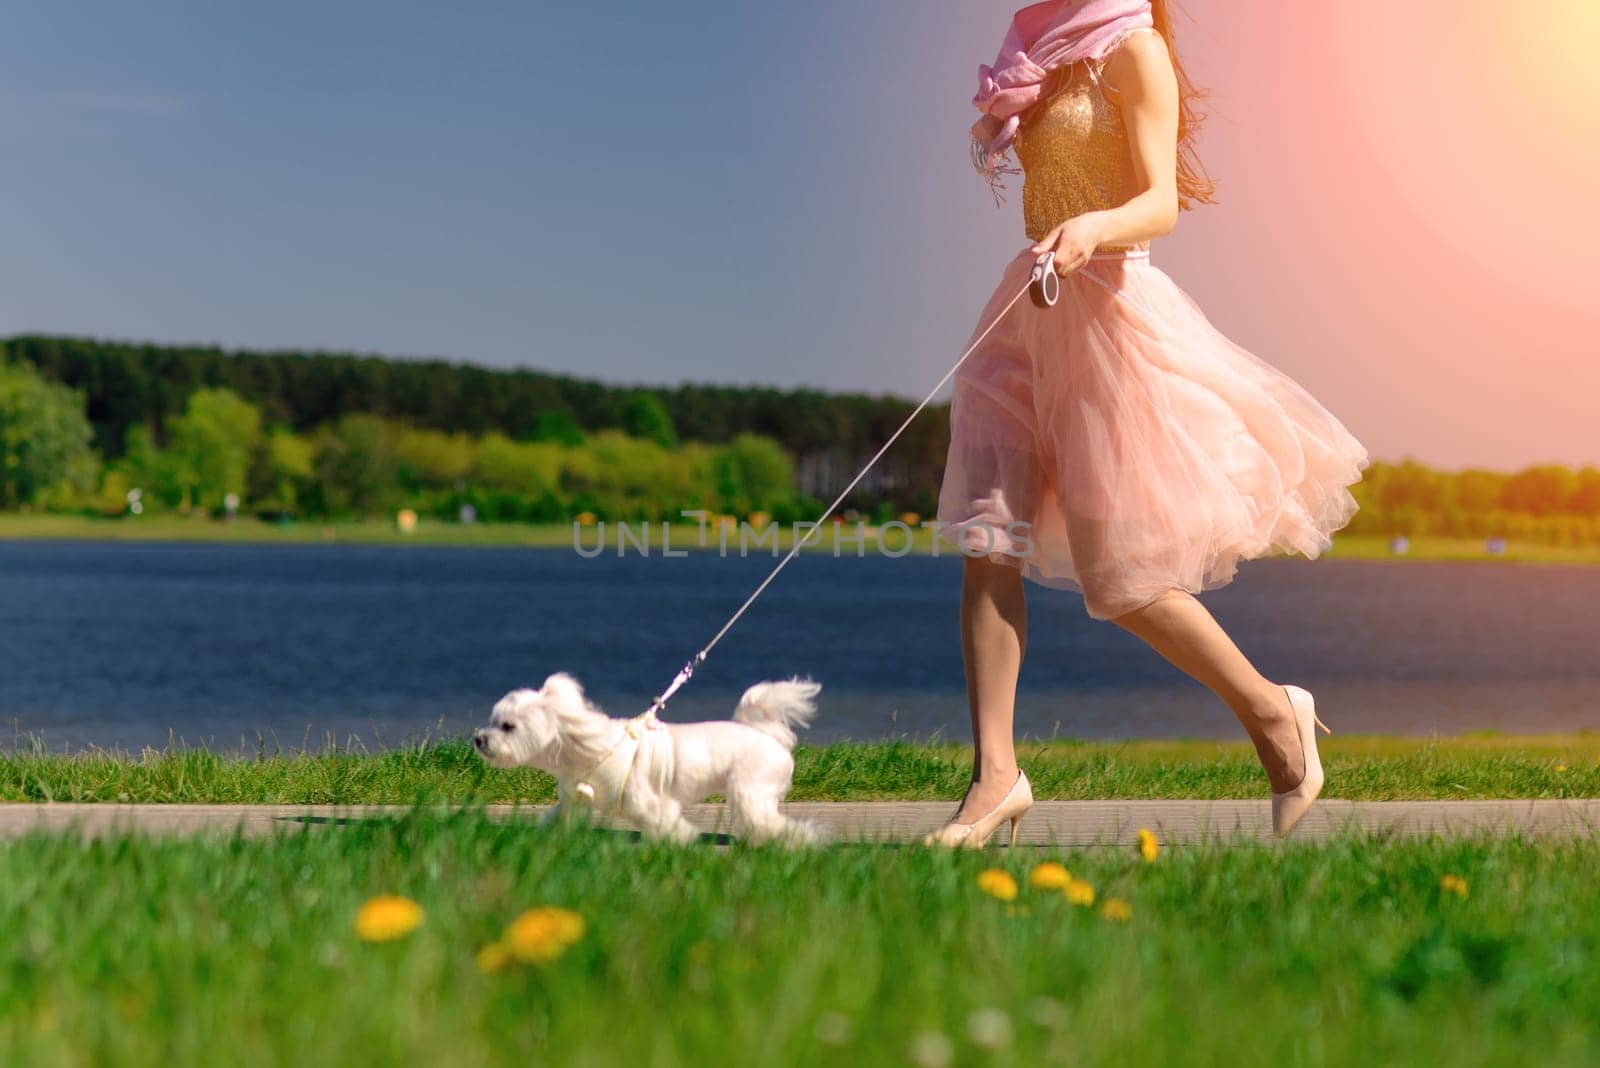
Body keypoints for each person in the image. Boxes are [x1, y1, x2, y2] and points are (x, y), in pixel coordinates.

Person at [926, 0, 1368, 846]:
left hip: (1108, 312)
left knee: (1121, 579)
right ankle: (995, 777)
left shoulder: (1135, 50)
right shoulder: (1040, 52)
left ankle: (1275, 714)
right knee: (990, 539)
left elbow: (1161, 202)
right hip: (1029, 305)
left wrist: (1095, 223)